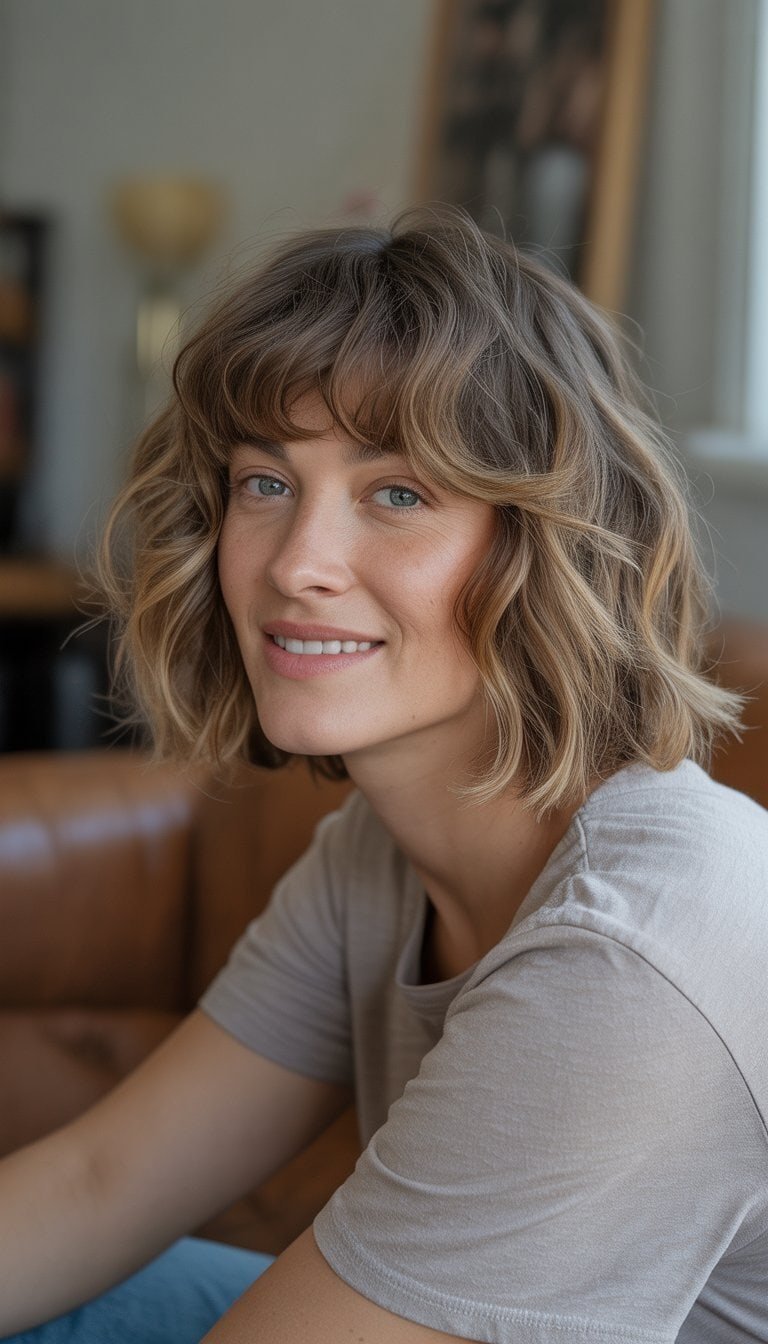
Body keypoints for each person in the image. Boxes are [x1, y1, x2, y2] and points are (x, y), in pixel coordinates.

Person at [1, 205, 766, 1344]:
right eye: (265, 483)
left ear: (540, 545)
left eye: (397, 494)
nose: (297, 564)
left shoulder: (635, 947)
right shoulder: (377, 857)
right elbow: (105, 1180)